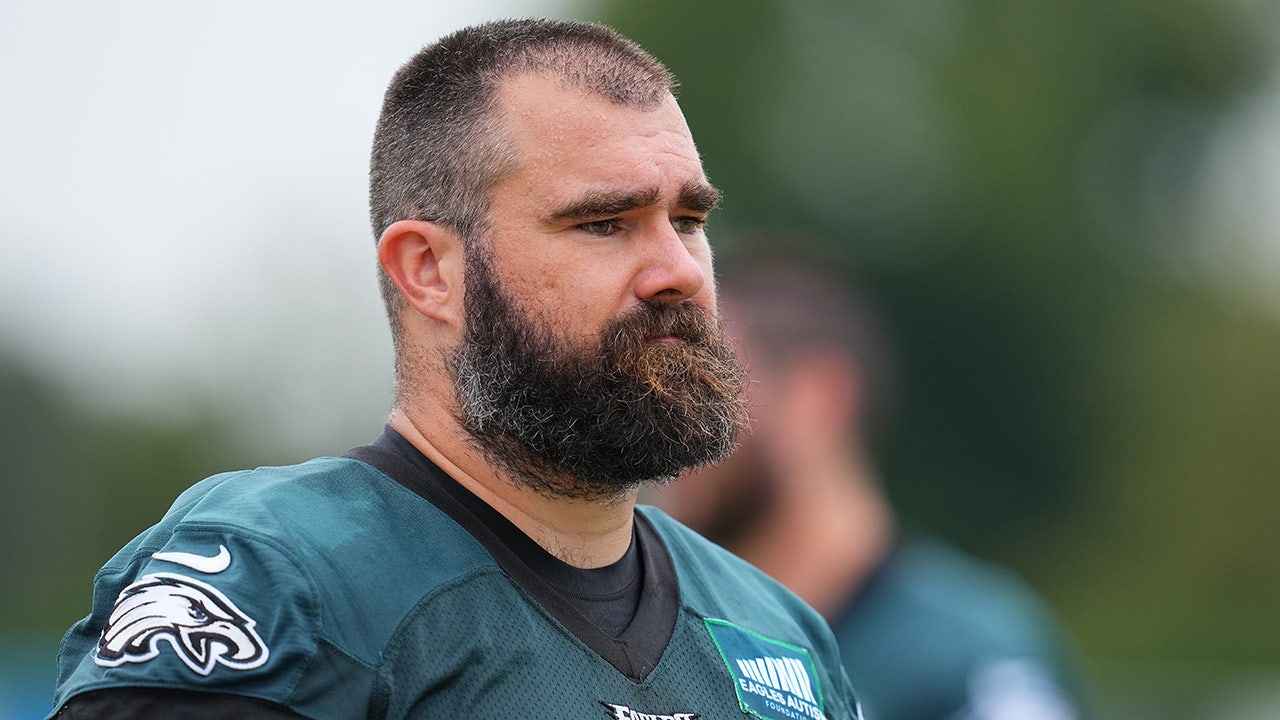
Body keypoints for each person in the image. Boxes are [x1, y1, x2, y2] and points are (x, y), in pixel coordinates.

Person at [48, 19, 866, 720]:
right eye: (605, 223)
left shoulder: (781, 640)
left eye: (687, 220)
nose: (678, 272)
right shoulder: (278, 579)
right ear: (429, 272)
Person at [651, 255, 1090, 720]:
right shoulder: (671, 647)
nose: (670, 419)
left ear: (815, 399)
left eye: (705, 386)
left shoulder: (970, 662)